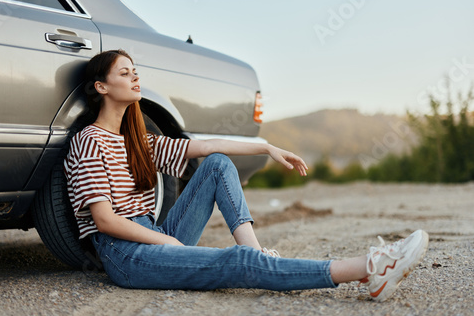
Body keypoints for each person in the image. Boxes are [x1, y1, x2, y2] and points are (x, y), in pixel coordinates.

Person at [64, 49, 429, 302]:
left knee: (218, 163)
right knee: (236, 264)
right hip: (126, 256)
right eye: (124, 73)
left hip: (155, 236)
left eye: (135, 72)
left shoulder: (138, 141)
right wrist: (167, 244)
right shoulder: (88, 141)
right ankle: (370, 268)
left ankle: (255, 252)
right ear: (102, 87)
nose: (135, 78)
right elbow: (104, 220)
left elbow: (207, 148)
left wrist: (267, 147)